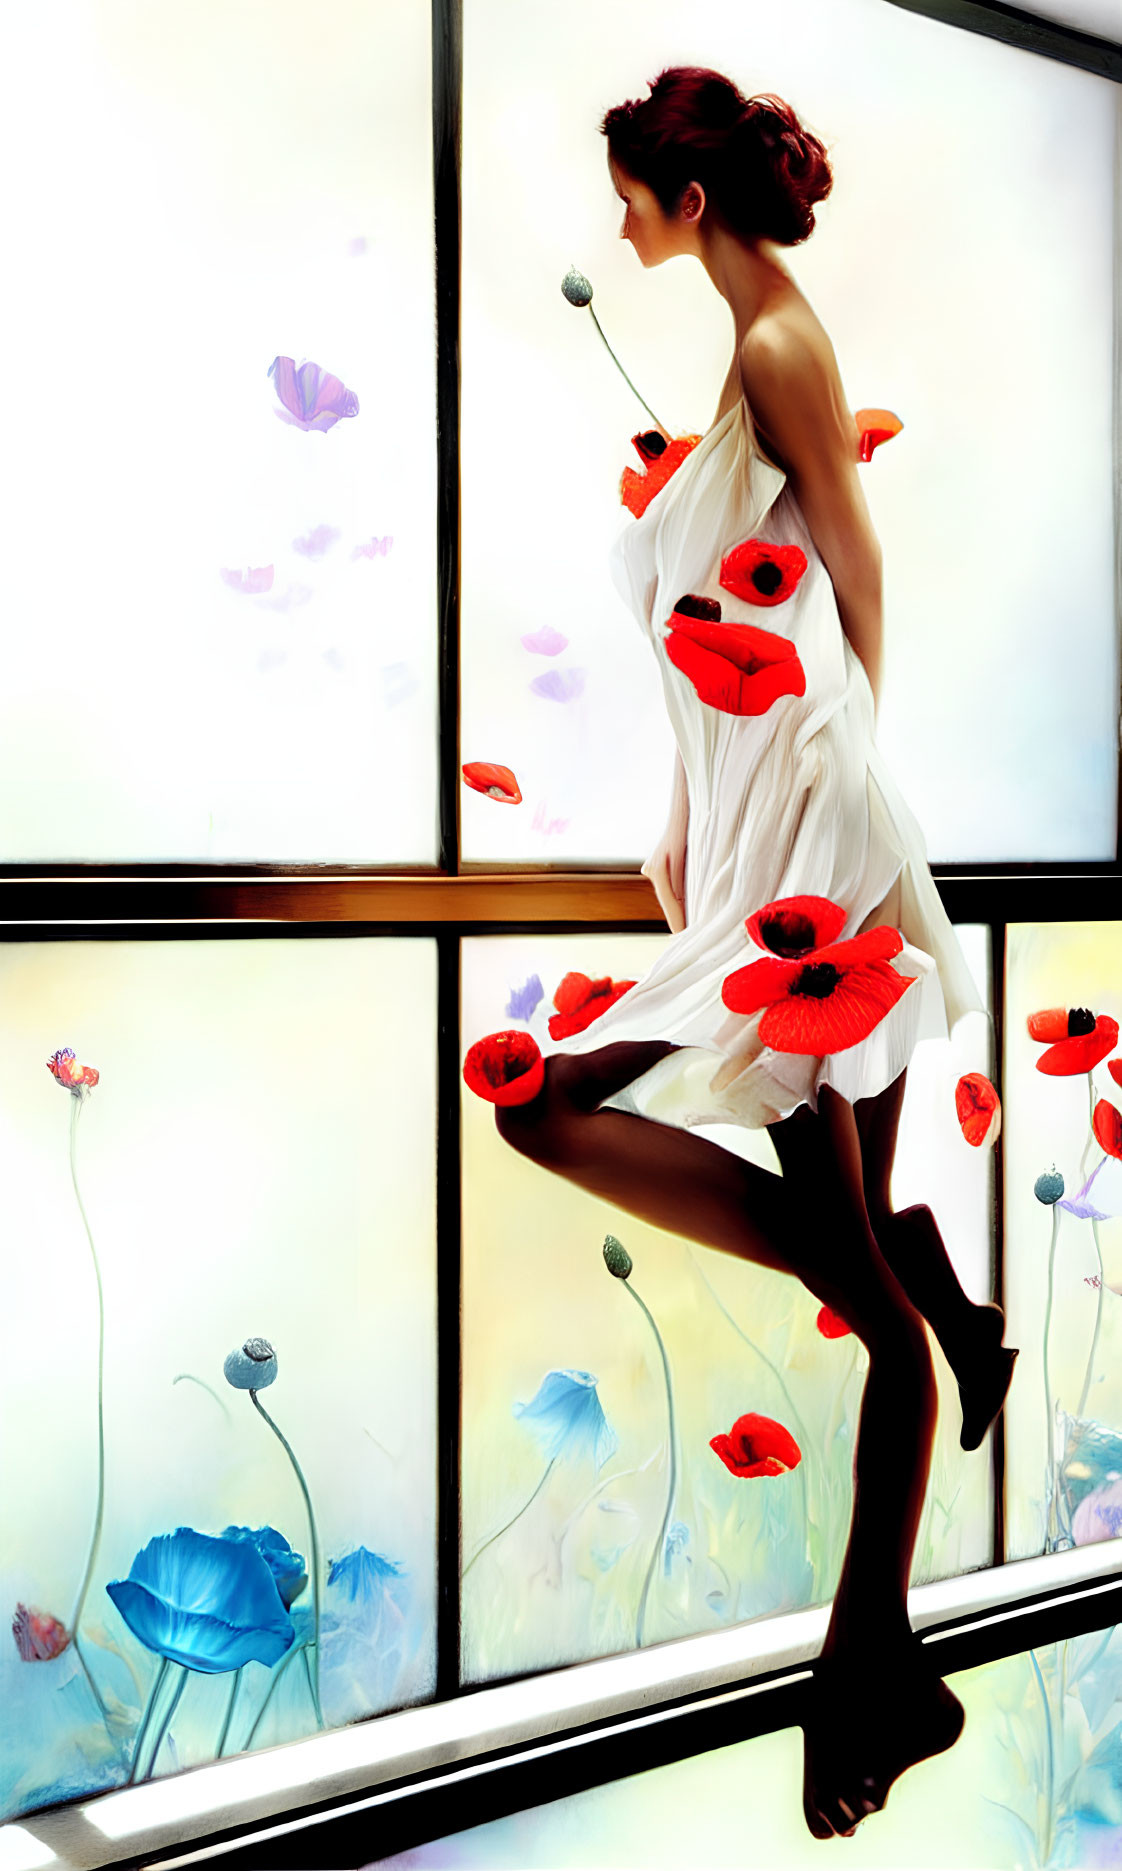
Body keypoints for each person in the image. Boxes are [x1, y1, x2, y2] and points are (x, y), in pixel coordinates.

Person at [468, 66, 1018, 1839]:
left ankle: (870, 1659)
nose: (615, 218)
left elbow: (854, 588)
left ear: (683, 199)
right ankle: (917, 1304)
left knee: (558, 1120)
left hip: (810, 857)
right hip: (758, 847)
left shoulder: (778, 345)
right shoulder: (745, 340)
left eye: (626, 191)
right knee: (597, 1138)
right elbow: (752, 610)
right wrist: (697, 818)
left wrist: (814, 820)